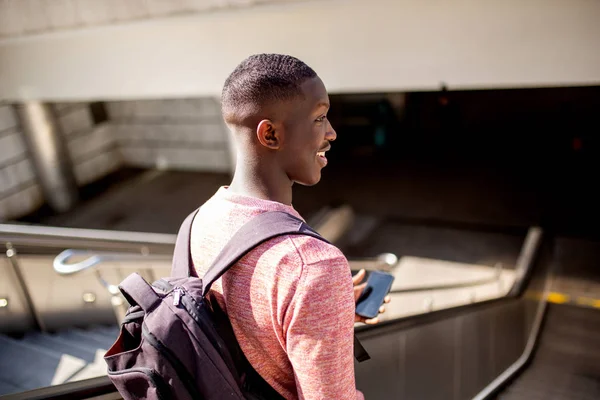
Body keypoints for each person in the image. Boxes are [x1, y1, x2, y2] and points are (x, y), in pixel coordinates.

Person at [190, 54, 389, 400]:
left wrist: (324, 313)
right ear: (269, 134)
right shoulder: (311, 266)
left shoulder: (198, 221)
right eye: (319, 118)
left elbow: (237, 329)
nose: (332, 133)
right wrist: (316, 294)